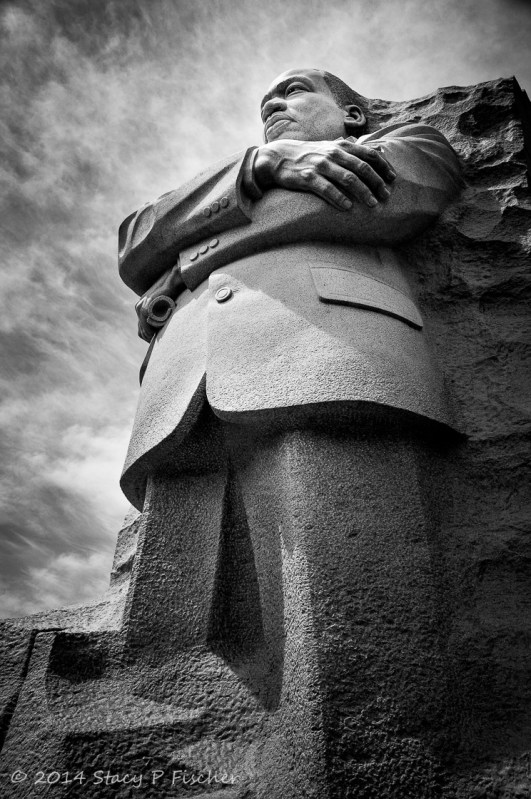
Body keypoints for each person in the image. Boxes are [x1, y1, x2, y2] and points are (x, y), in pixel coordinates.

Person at [118, 69, 463, 795]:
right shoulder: (251, 168)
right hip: (185, 393)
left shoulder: (413, 142)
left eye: (294, 90)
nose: (272, 104)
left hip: (328, 357)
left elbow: (389, 190)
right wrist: (260, 167)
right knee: (161, 661)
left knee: (348, 648)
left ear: (352, 113)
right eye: (263, 102)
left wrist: (187, 259)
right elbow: (134, 237)